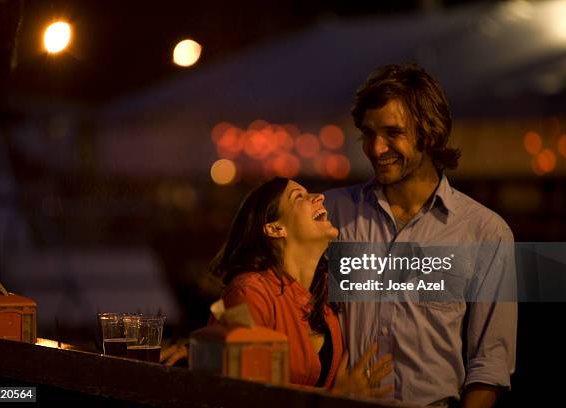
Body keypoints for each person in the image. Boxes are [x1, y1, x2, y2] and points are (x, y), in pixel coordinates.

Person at [324, 63, 517, 407]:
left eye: (392, 133)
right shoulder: (331, 215)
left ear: (429, 134)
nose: (375, 148)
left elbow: (490, 364)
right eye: (368, 133)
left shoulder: (486, 232)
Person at [191, 177, 392, 395]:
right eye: (299, 197)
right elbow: (244, 388)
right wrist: (336, 398)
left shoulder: (324, 295)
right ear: (275, 228)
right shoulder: (250, 291)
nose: (319, 197)